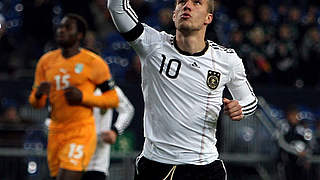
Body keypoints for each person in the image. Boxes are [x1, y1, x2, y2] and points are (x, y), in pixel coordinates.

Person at [107, 0, 258, 179]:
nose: (187, 6)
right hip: (155, 166)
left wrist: (240, 108)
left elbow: (250, 101)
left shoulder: (226, 60)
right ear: (174, 14)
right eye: (181, 2)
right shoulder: (151, 44)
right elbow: (116, 7)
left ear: (208, 18)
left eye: (196, 3)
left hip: (204, 168)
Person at [28, 13, 119, 180]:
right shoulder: (45, 61)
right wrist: (39, 93)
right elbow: (36, 104)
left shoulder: (93, 62)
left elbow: (113, 99)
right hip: (56, 132)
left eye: (67, 27)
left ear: (79, 35)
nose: (61, 30)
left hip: (81, 130)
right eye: (60, 27)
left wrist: (83, 97)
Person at [82, 86, 135, 180]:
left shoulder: (109, 89)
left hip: (97, 161)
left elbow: (128, 110)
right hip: (71, 156)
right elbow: (50, 120)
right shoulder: (72, 85)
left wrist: (115, 130)